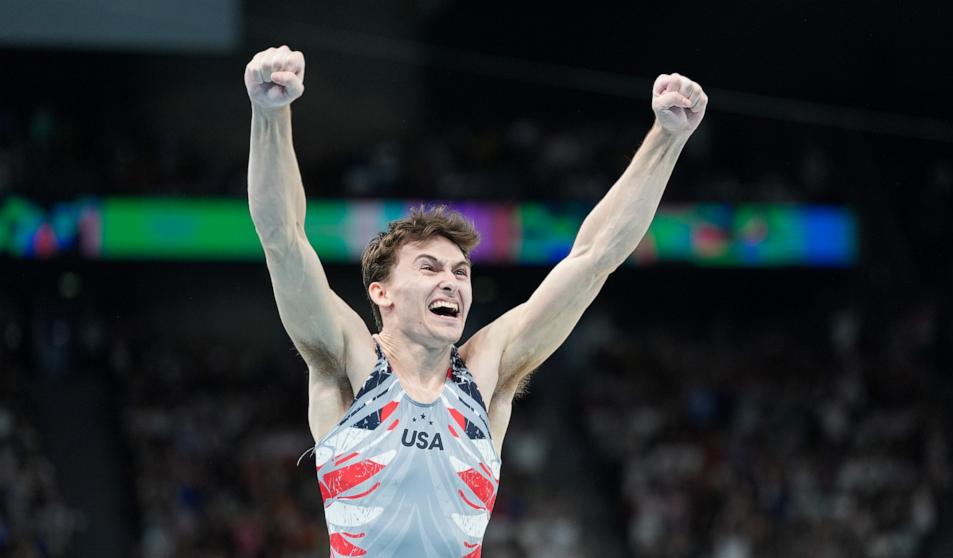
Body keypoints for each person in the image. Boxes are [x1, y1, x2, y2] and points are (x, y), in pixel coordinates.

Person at [244, 44, 707, 557]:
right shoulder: (347, 359)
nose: (452, 282)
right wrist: (270, 114)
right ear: (382, 293)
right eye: (430, 267)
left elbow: (594, 256)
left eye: (461, 272)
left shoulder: (486, 371)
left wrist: (667, 138)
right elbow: (283, 237)